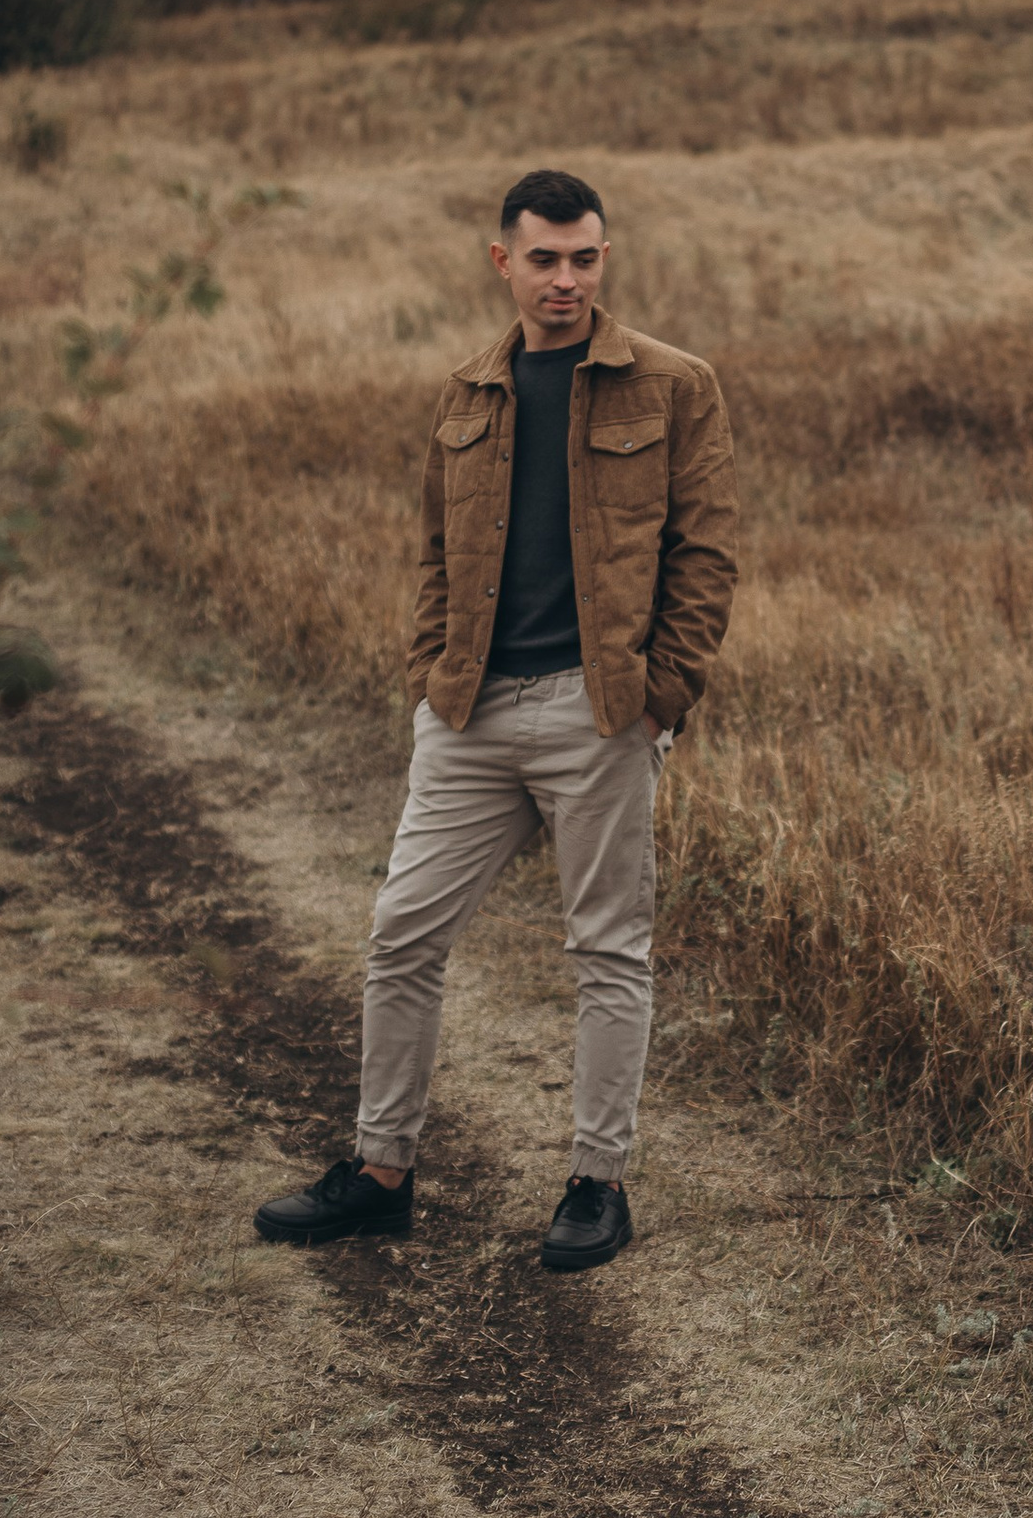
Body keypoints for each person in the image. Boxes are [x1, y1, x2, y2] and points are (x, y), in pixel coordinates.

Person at [252, 169, 737, 1275]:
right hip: (468, 713)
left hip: (597, 712)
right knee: (401, 933)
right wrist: (431, 673)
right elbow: (435, 550)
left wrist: (661, 698)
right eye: (544, 258)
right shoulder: (468, 389)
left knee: (608, 949)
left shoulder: (673, 385)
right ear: (502, 261)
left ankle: (595, 1183)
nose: (564, 278)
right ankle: (380, 1172)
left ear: (601, 259)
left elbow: (705, 556)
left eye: (585, 257)